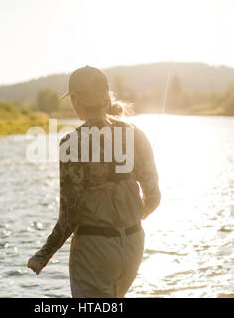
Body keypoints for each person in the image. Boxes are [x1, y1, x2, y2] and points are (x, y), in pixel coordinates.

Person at [27, 66, 161, 297]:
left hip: (94, 250)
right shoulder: (136, 135)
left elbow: (71, 214)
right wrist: (127, 223)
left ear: (76, 100)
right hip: (133, 244)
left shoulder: (73, 143)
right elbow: (154, 197)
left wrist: (43, 255)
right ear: (106, 96)